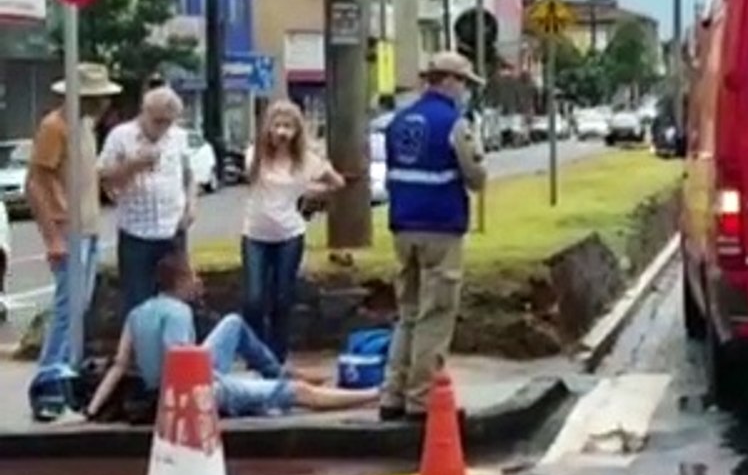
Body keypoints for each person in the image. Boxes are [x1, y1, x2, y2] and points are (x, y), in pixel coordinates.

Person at [85, 253, 378, 419]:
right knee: (297, 394)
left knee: (233, 323)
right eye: (194, 276)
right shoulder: (178, 313)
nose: (199, 281)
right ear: (182, 281)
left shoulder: (138, 313)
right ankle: (373, 394)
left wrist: (93, 409)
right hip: (195, 391)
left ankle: (278, 372)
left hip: (176, 384)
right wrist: (229, 385)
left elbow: (119, 365)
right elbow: (180, 363)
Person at [379, 51, 487, 422]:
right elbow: (476, 177)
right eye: (465, 84)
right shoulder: (454, 124)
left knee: (407, 314)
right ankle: (421, 400)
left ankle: (392, 393)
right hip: (441, 228)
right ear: (449, 81)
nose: (466, 92)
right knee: (435, 314)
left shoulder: (398, 121)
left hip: (402, 227)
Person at [25, 64, 121, 421]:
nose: (100, 104)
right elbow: (35, 184)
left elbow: (85, 175)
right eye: (94, 98)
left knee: (79, 307)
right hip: (68, 228)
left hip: (89, 226)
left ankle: (64, 378)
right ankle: (48, 380)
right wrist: (52, 236)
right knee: (68, 308)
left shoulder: (85, 126)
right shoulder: (55, 127)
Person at [241, 99, 344, 361]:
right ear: (268, 128)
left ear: (297, 130)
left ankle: (277, 355)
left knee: (282, 297)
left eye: (288, 126)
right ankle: (257, 350)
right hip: (255, 234)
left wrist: (312, 191)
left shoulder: (307, 161)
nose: (282, 132)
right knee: (254, 298)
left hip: (289, 234)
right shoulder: (255, 155)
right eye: (277, 125)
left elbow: (337, 183)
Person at [98, 86, 197, 317]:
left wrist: (192, 205)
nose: (162, 127)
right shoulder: (120, 136)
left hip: (172, 229)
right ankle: (140, 351)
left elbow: (189, 174)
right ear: (144, 112)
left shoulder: (179, 137)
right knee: (138, 301)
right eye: (158, 120)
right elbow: (104, 178)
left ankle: (171, 349)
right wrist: (132, 165)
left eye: (168, 122)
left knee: (178, 298)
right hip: (136, 232)